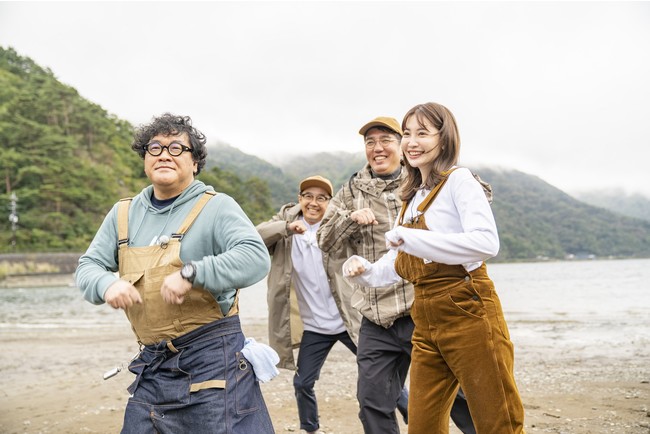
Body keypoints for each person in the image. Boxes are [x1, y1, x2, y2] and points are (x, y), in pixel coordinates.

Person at [75, 113, 275, 434]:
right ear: (145, 160)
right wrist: (105, 285)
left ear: (195, 163)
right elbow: (89, 266)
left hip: (213, 362)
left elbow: (254, 258)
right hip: (152, 366)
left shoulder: (217, 207)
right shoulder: (123, 214)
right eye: (155, 147)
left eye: (177, 148)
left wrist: (193, 272)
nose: (165, 154)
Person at [343, 103, 526, 433]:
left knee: (497, 421)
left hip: (468, 311)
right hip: (425, 320)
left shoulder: (459, 180)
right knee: (423, 427)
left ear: (445, 139)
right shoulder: (411, 197)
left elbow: (486, 243)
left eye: (423, 134)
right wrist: (364, 271)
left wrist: (413, 240)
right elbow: (402, 264)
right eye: (408, 134)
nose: (412, 142)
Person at [317, 117, 475, 434]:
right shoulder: (350, 192)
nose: (377, 148)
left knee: (456, 395)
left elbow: (468, 222)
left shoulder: (425, 182)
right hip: (377, 317)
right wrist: (349, 219)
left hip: (422, 309)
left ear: (401, 146)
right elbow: (325, 242)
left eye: (386, 140)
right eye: (370, 142)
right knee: (372, 402)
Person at [256, 175, 361, 434]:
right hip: (315, 327)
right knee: (303, 383)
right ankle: (310, 429)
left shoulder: (338, 226)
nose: (314, 203)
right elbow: (255, 236)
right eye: (308, 196)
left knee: (381, 376)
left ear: (330, 202)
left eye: (322, 198)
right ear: (300, 199)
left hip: (349, 321)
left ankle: (412, 416)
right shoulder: (286, 226)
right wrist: (287, 228)